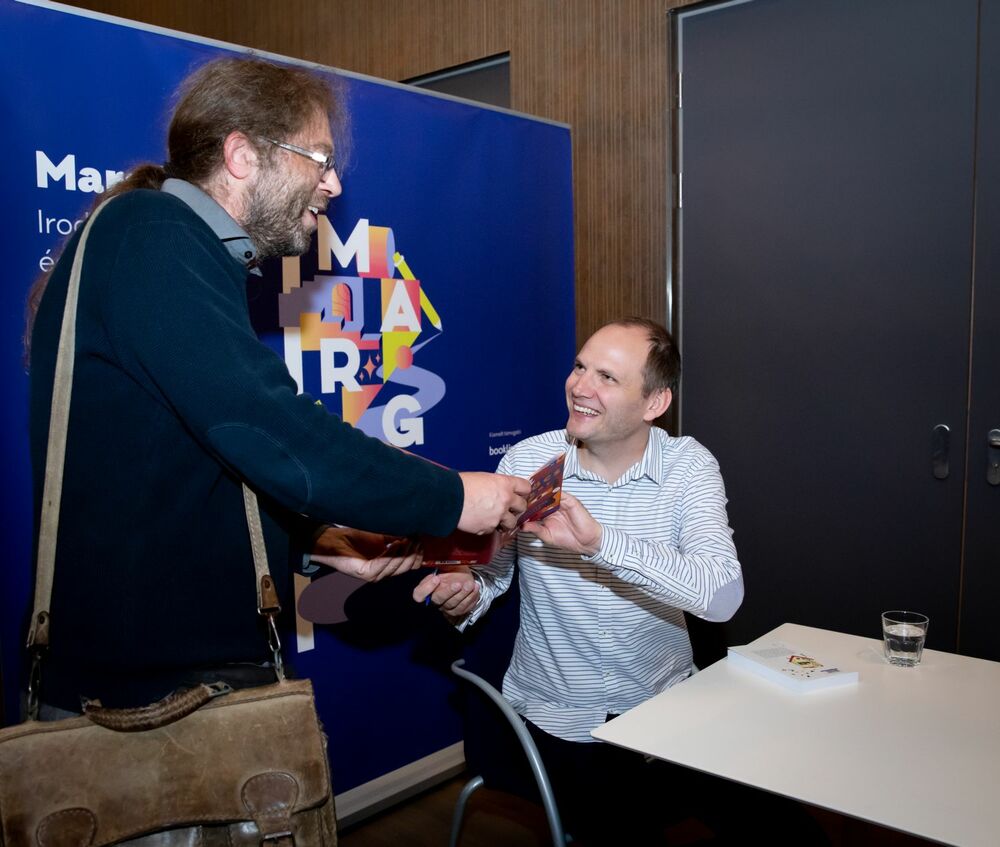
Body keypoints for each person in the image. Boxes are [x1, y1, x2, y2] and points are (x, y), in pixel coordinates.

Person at [26, 56, 528, 715]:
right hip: (144, 710)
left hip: (168, 692)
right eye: (319, 159)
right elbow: (266, 425)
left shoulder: (170, 246)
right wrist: (454, 496)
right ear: (241, 155)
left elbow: (173, 481)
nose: (334, 182)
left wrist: (319, 542)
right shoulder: (153, 236)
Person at [417, 318, 827, 845]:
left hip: (671, 707)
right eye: (580, 367)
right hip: (563, 722)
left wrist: (602, 544)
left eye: (607, 377)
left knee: (793, 832)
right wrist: (465, 595)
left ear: (654, 403)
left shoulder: (687, 466)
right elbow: (490, 577)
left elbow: (722, 594)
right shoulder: (527, 461)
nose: (580, 386)